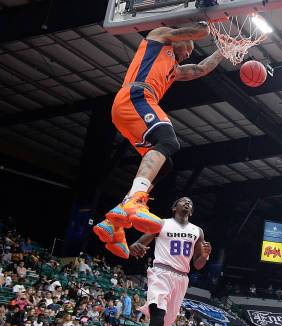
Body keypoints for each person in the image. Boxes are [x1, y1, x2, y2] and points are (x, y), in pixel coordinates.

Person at [92, 22, 225, 259]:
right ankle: (134, 201)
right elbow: (197, 31)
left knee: (165, 165)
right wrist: (212, 20)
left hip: (134, 106)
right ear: (180, 39)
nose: (187, 55)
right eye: (187, 49)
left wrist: (223, 49)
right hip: (136, 95)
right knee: (169, 140)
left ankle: (114, 222)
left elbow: (200, 69)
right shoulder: (159, 37)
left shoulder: (173, 68)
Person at [124, 197, 211, 326]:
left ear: (192, 210)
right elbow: (136, 245)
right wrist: (135, 247)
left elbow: (197, 265)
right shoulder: (161, 223)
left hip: (181, 278)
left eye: (191, 202)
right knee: (157, 320)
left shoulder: (197, 231)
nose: (187, 203)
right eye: (183, 201)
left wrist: (204, 256)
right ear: (174, 207)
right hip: (161, 272)